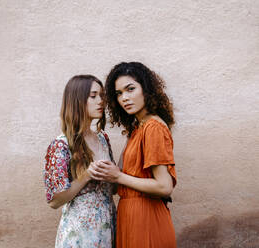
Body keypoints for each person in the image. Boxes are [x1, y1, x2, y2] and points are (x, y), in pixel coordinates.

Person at [89, 62, 177, 248]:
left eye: (130, 89)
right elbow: (116, 179)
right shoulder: (138, 128)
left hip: (146, 218)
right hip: (130, 216)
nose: (124, 98)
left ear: (147, 89)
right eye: (119, 93)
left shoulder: (152, 128)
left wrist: (118, 176)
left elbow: (164, 186)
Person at [43, 75, 116, 248]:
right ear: (77, 100)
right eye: (93, 96)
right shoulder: (61, 145)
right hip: (80, 233)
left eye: (102, 95)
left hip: (108, 227)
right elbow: (54, 201)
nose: (101, 101)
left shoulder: (103, 138)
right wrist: (86, 175)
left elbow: (112, 189)